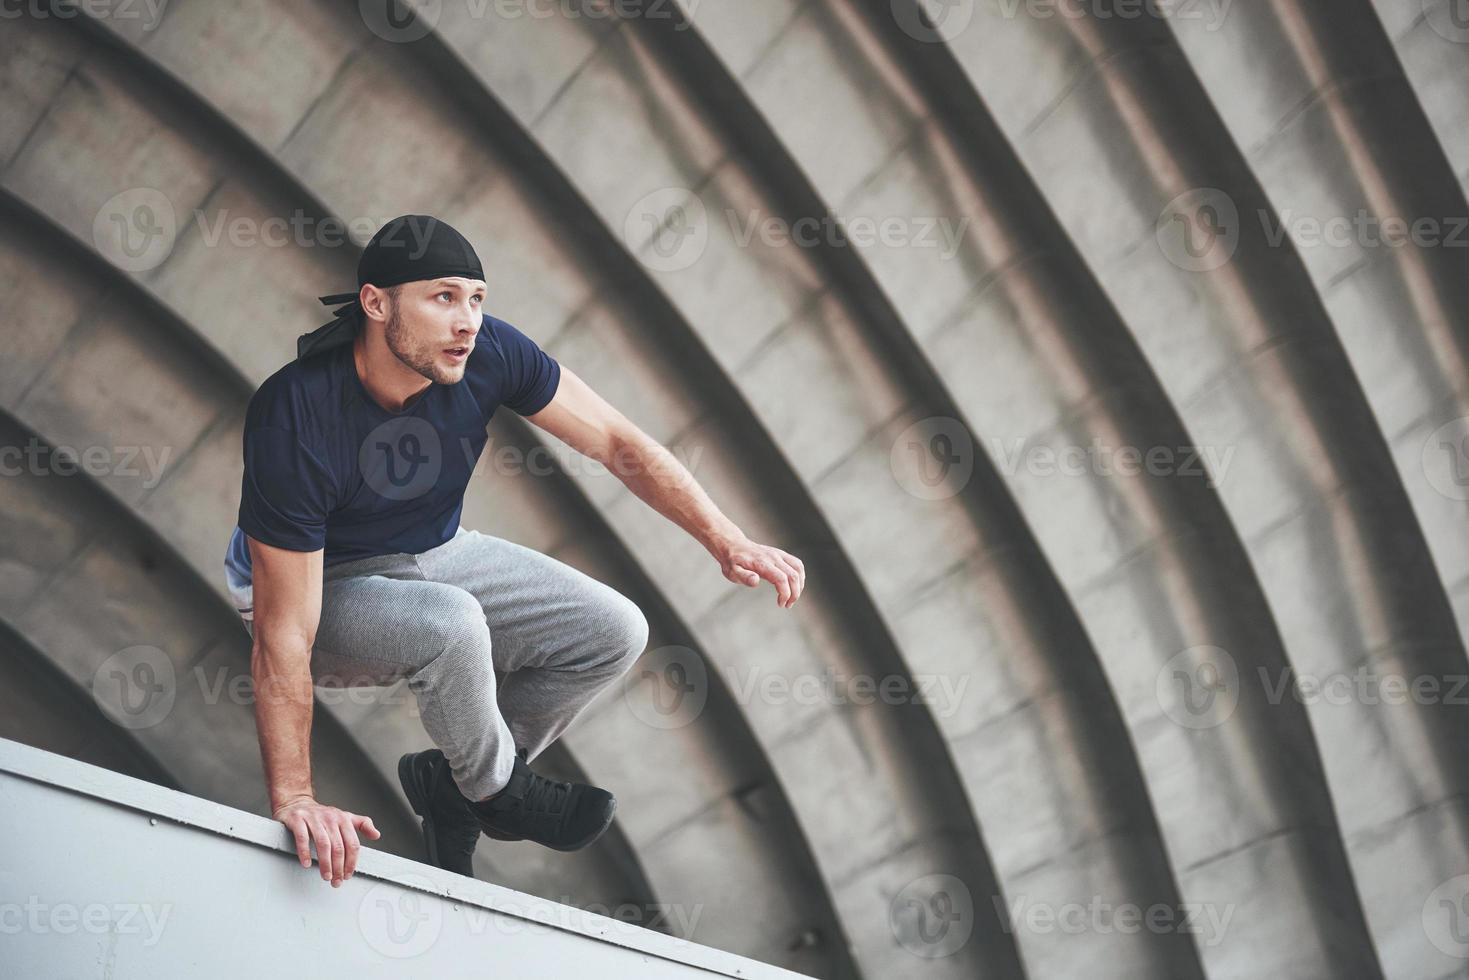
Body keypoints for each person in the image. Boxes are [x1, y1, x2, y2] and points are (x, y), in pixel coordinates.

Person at [222, 215, 805, 888]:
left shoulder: (488, 353)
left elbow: (615, 441)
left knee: (613, 629)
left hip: (434, 552)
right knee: (452, 621)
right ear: (376, 303)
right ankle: (500, 793)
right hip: (321, 588)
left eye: (476, 299)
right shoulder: (298, 412)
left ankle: (457, 786)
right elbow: (283, 631)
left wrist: (724, 538)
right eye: (443, 297)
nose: (467, 320)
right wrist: (295, 796)